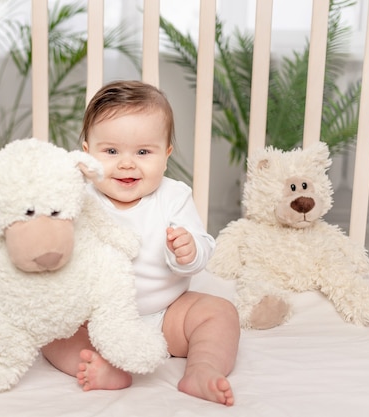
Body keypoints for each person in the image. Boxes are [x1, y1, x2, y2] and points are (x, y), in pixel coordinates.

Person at [41, 80, 240, 406]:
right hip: (95, 321)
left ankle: (202, 370)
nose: (127, 163)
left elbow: (203, 246)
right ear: (87, 154)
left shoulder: (174, 197)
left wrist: (188, 251)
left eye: (144, 152)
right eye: (111, 151)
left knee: (219, 312)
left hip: (164, 316)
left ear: (166, 155)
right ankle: (103, 368)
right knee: (50, 326)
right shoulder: (77, 195)